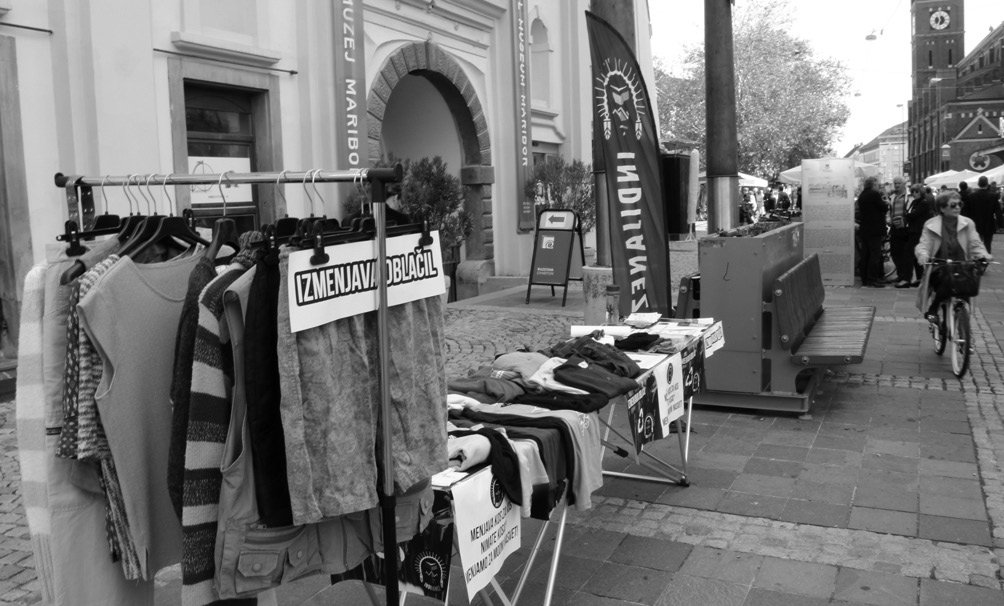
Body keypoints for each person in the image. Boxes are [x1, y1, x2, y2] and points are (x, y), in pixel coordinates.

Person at [915, 191, 991, 323]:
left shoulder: (968, 223)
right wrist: (923, 255)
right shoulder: (930, 224)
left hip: (962, 266)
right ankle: (934, 308)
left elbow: (975, 243)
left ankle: (960, 322)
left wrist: (983, 255)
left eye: (960, 204)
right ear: (942, 208)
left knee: (967, 288)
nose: (958, 207)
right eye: (953, 205)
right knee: (946, 280)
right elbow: (924, 244)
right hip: (939, 266)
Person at [856, 176, 889, 287]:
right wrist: (886, 202)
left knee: (865, 255)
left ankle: (865, 279)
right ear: (873, 185)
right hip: (874, 230)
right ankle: (873, 279)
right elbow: (883, 208)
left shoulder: (862, 195)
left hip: (864, 229)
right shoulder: (874, 194)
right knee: (875, 255)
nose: (878, 187)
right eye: (877, 185)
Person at [963, 175, 1004, 253]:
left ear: (978, 184)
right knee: (988, 244)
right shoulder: (993, 196)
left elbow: (966, 212)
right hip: (989, 223)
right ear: (987, 184)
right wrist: (1001, 225)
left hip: (975, 224)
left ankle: (978, 257)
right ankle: (986, 257)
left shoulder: (971, 196)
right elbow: (998, 212)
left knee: (976, 243)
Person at [904, 184, 933, 286]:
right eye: (912, 192)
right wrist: (908, 215)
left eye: (916, 191)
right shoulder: (915, 202)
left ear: (921, 192)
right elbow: (909, 213)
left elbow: (914, 215)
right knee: (916, 255)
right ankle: (919, 278)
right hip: (913, 230)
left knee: (909, 254)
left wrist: (907, 215)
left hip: (918, 231)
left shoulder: (923, 203)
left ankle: (907, 279)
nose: (914, 194)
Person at [887, 177, 912, 287]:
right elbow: (890, 211)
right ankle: (900, 275)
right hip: (894, 227)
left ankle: (905, 278)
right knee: (894, 252)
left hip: (905, 228)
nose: (896, 185)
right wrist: (889, 219)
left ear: (904, 184)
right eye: (895, 183)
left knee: (905, 254)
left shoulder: (909, 196)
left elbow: (911, 211)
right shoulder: (893, 197)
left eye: (899, 183)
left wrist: (906, 222)